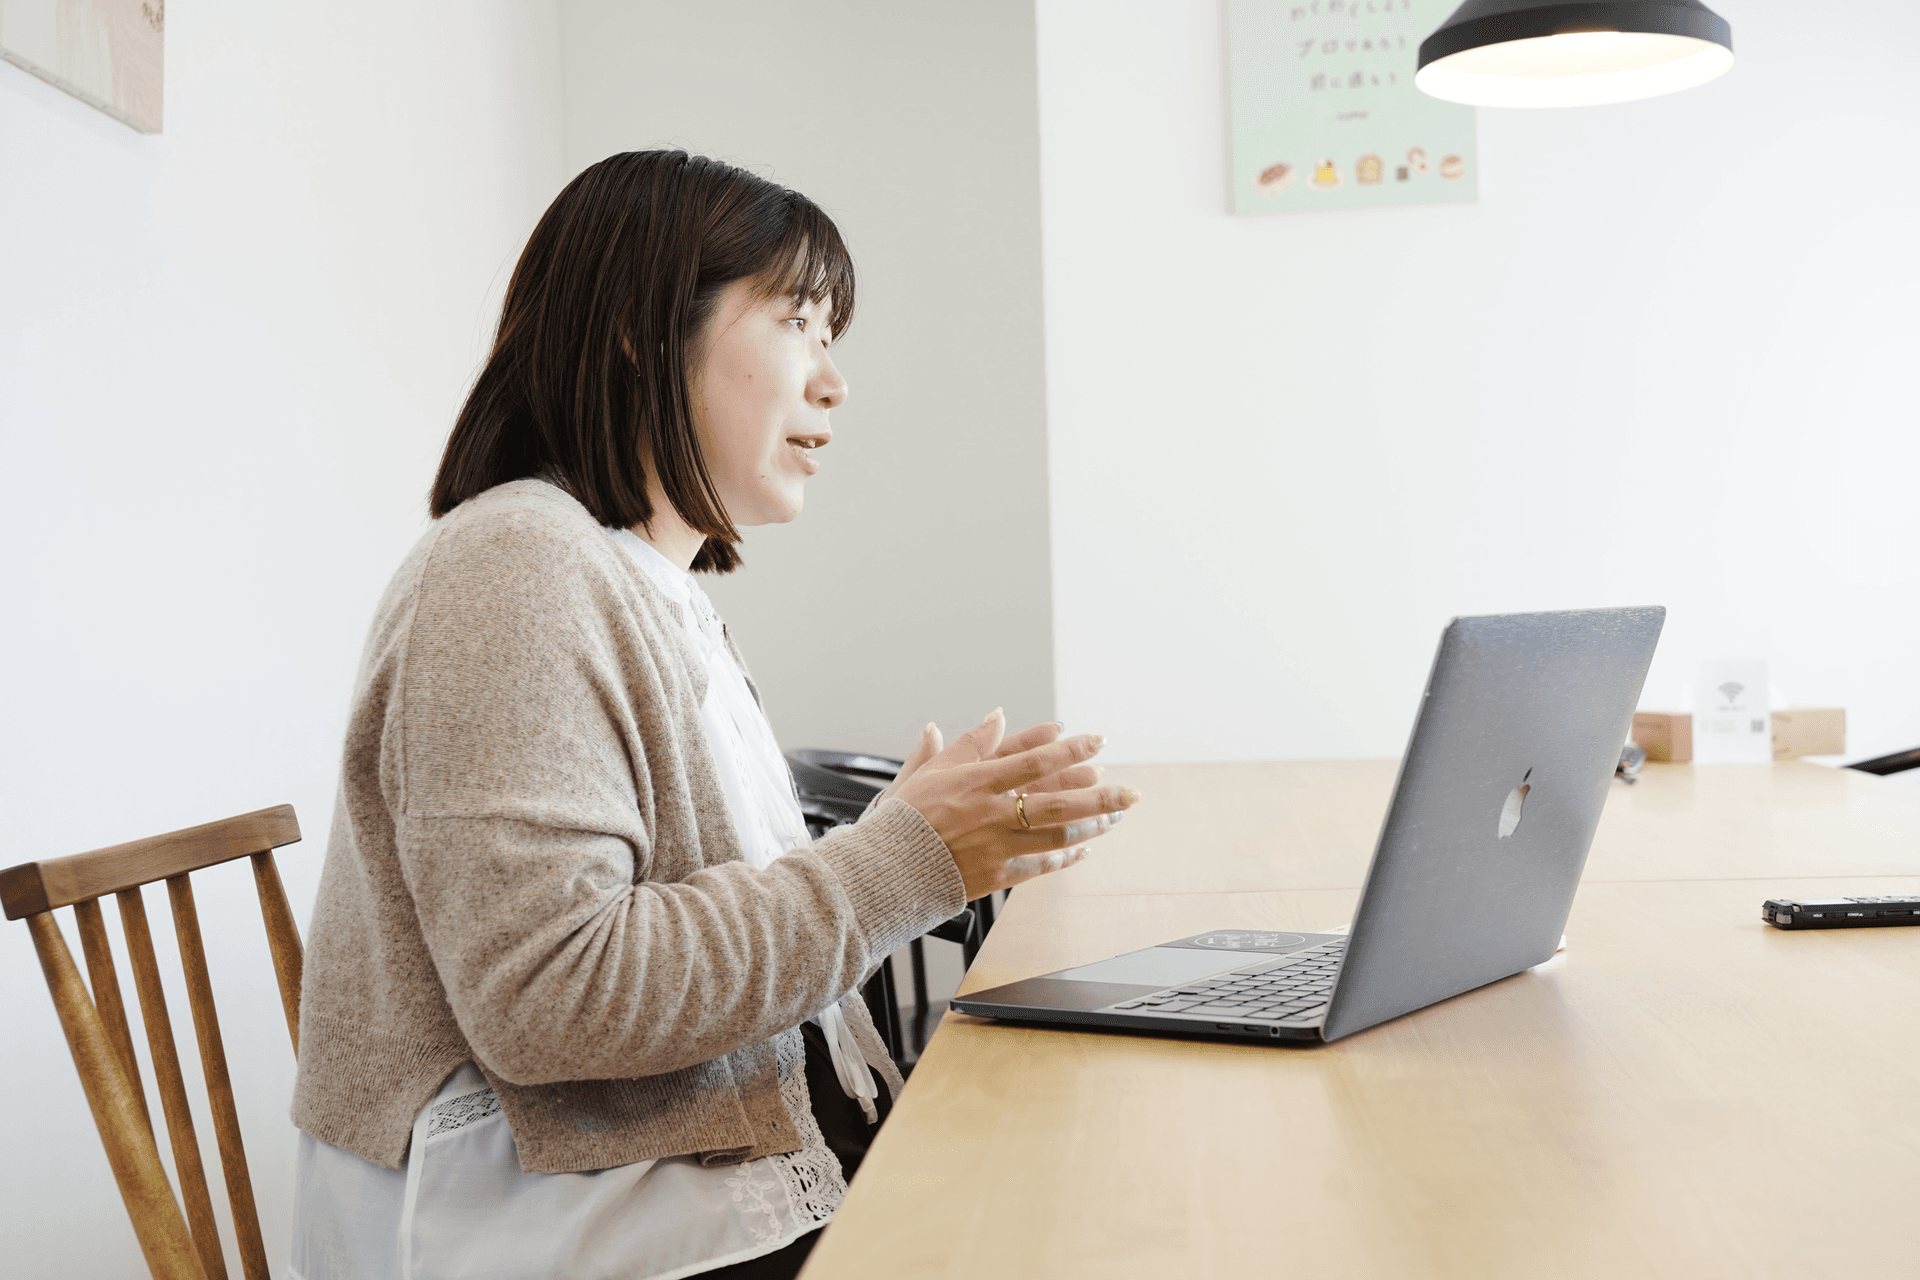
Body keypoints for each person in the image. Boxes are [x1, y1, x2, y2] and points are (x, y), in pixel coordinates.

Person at [288, 150, 1137, 1280]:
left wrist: (934, 846)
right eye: (799, 322)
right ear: (644, 333)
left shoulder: (647, 587)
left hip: (673, 1195)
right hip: (563, 1230)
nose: (834, 382)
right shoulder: (511, 566)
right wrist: (899, 862)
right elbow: (554, 995)